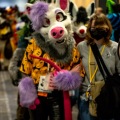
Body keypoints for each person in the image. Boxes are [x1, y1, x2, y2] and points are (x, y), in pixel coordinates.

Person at [77, 13, 120, 120]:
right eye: (94, 27)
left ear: (107, 28)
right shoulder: (81, 47)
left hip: (107, 97)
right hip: (86, 97)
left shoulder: (114, 47)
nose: (97, 30)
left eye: (101, 27)